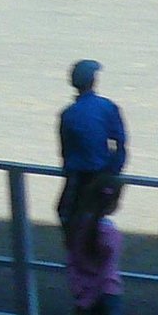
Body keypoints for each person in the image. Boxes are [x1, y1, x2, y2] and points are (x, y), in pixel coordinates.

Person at [65, 174, 126, 315]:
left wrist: (81, 295)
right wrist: (91, 298)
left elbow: (72, 262)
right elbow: (106, 272)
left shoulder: (79, 227)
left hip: (85, 296)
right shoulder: (109, 233)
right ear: (115, 203)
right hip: (107, 295)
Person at [57, 60, 127, 234]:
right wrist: (113, 172)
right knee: (94, 221)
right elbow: (120, 143)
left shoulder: (68, 113)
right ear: (93, 81)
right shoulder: (107, 107)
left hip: (77, 177)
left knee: (68, 215)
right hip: (100, 173)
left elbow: (65, 151)